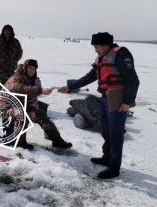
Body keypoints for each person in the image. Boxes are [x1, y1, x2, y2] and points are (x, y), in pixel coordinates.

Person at [59, 32, 140, 179]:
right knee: (106, 130)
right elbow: (91, 76)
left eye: (96, 46)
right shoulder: (101, 57)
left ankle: (114, 167)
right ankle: (107, 157)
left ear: (105, 45)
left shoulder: (121, 55)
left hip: (117, 99)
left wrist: (127, 102)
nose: (95, 49)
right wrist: (70, 87)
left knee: (115, 134)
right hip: (104, 98)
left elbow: (134, 82)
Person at [3, 59, 73, 150]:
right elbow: (21, 88)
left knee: (41, 114)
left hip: (24, 105)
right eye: (29, 68)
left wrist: (32, 110)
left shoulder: (34, 80)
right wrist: (40, 90)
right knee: (22, 114)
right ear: (24, 67)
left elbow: (34, 99)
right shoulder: (16, 78)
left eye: (33, 69)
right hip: (7, 106)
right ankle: (20, 142)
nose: (31, 70)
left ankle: (57, 140)